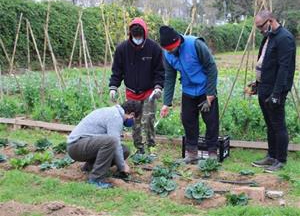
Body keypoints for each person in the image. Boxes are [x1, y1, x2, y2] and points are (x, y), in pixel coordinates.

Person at [159, 25, 219, 164]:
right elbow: (169, 77)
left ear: (178, 42)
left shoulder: (195, 44)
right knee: (188, 121)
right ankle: (192, 153)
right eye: (167, 50)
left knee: (211, 121)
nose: (170, 52)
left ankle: (212, 153)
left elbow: (211, 67)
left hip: (205, 90)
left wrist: (210, 94)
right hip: (188, 91)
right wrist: (166, 103)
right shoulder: (167, 54)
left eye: (171, 49)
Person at [109, 17, 164, 155]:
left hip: (149, 92)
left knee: (149, 120)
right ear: (131, 35)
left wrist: (158, 86)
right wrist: (113, 87)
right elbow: (117, 70)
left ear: (145, 34)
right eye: (135, 37)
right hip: (131, 92)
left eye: (140, 37)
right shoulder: (122, 49)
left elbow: (159, 70)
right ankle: (139, 149)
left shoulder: (154, 48)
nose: (137, 40)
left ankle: (151, 147)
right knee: (135, 122)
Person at [250, 10, 296, 172]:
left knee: (278, 124)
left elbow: (285, 68)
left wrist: (277, 94)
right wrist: (257, 82)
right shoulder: (268, 37)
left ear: (270, 21)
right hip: (264, 87)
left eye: (261, 26)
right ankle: (271, 156)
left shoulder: (285, 38)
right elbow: (264, 63)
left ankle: (281, 159)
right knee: (270, 124)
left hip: (275, 90)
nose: (260, 30)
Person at [67, 100, 142, 188]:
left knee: (124, 150)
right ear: (131, 114)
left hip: (84, 145)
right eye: (134, 119)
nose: (132, 122)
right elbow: (115, 142)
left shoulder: (114, 112)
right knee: (111, 141)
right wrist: (123, 166)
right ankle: (96, 179)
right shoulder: (115, 116)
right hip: (76, 147)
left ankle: (90, 167)